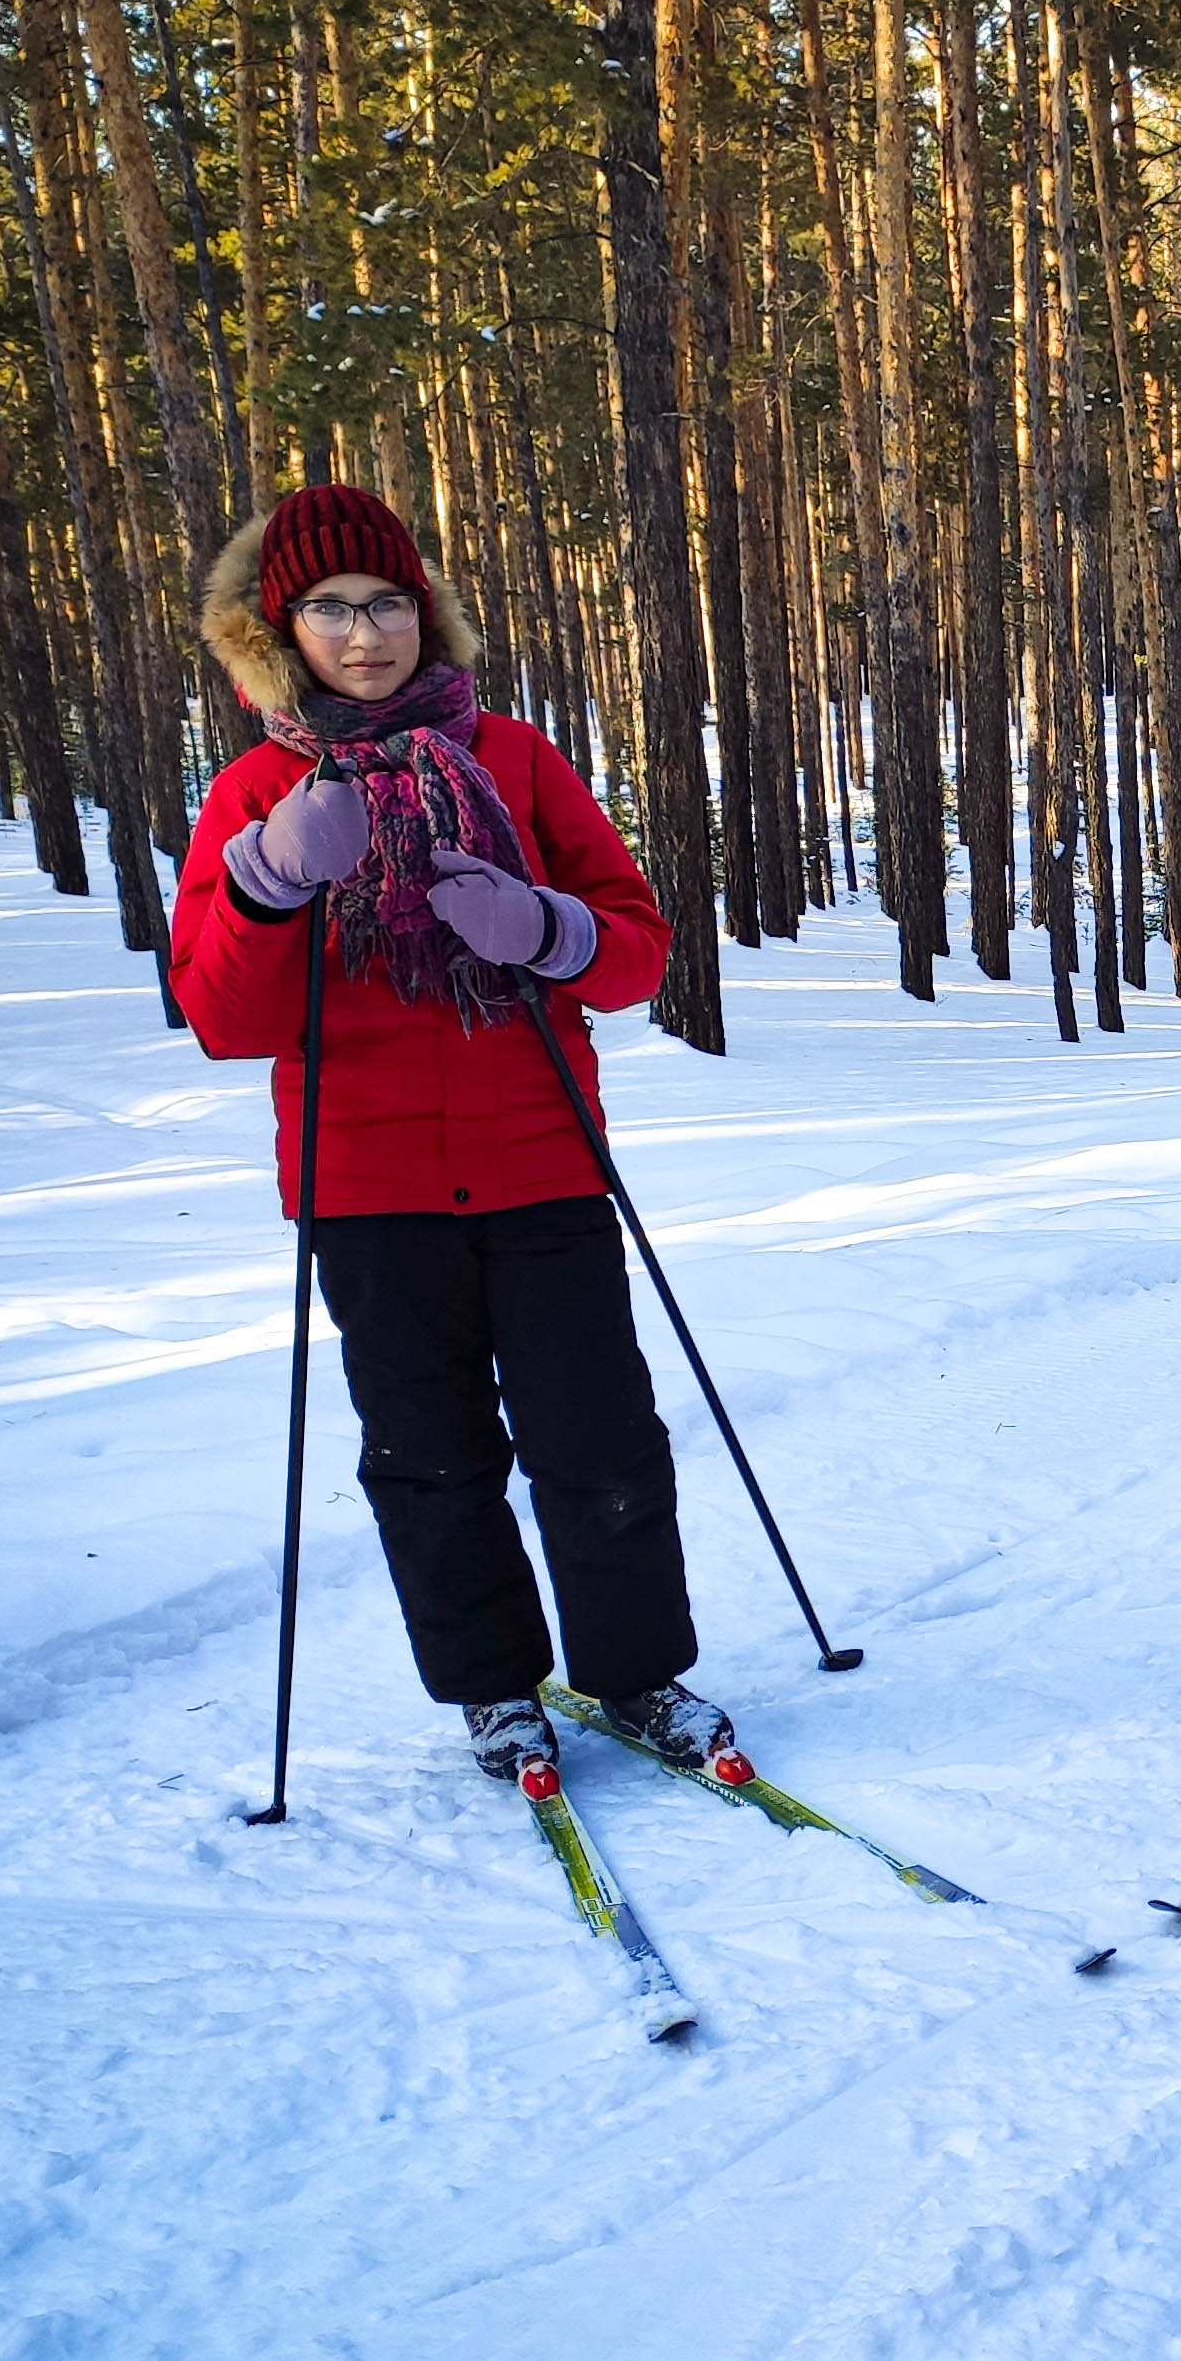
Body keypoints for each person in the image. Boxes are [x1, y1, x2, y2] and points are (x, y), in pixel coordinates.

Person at [171, 481, 726, 1786]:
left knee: (600, 1437)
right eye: (330, 608)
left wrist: (543, 929)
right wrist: (268, 879)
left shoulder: (518, 760)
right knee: (429, 1458)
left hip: (540, 1158)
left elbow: (634, 946)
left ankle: (636, 1671)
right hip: (367, 1183)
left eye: (388, 603)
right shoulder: (253, 793)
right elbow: (222, 1016)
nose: (365, 633)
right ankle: (493, 1689)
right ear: (280, 628)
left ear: (427, 611)